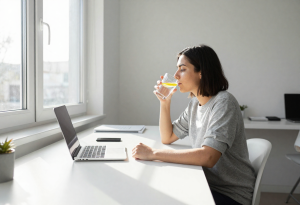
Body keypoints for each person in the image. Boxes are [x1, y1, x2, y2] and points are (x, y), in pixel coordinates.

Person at [132, 44, 256, 205]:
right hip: (205, 183)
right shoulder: (194, 105)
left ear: (201, 73)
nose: (176, 75)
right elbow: (167, 137)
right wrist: (165, 103)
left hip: (229, 194)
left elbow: (209, 157)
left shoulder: (224, 103)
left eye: (182, 69)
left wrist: (153, 153)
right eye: (177, 69)